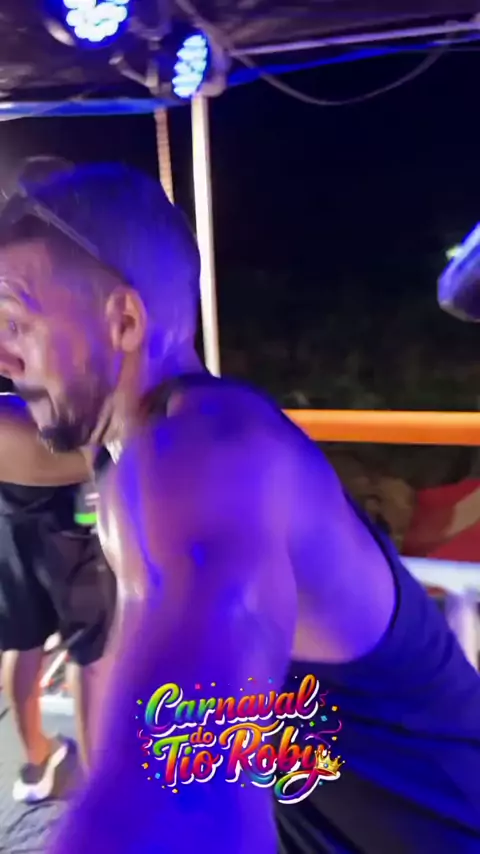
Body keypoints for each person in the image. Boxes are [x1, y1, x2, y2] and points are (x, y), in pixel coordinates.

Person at [0, 163, 478, 853]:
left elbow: (188, 782)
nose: (5, 356)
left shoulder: (207, 455)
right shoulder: (127, 442)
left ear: (124, 321)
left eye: (16, 323)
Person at [0, 392, 115, 802]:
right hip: (66, 515)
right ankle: (100, 784)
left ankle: (37, 761)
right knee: (91, 651)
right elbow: (90, 451)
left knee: (23, 640)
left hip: (9, 512)